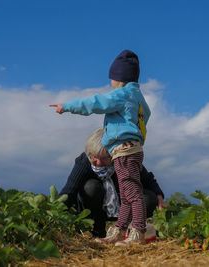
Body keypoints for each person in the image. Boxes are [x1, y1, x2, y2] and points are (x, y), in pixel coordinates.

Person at [50, 49, 152, 246]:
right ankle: (120, 230)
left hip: (124, 150)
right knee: (126, 193)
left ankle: (137, 231)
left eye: (112, 78)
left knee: (132, 194)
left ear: (118, 78)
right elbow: (144, 118)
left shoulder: (121, 95)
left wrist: (67, 106)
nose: (111, 82)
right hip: (133, 149)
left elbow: (95, 103)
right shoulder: (139, 99)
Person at [59, 128, 166, 239]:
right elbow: (69, 190)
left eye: (104, 158)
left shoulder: (124, 159)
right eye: (94, 157)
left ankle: (130, 230)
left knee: (148, 198)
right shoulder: (84, 162)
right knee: (91, 187)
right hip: (94, 206)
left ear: (113, 153)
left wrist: (159, 198)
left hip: (121, 206)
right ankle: (97, 230)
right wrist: (56, 212)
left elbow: (148, 179)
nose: (98, 163)